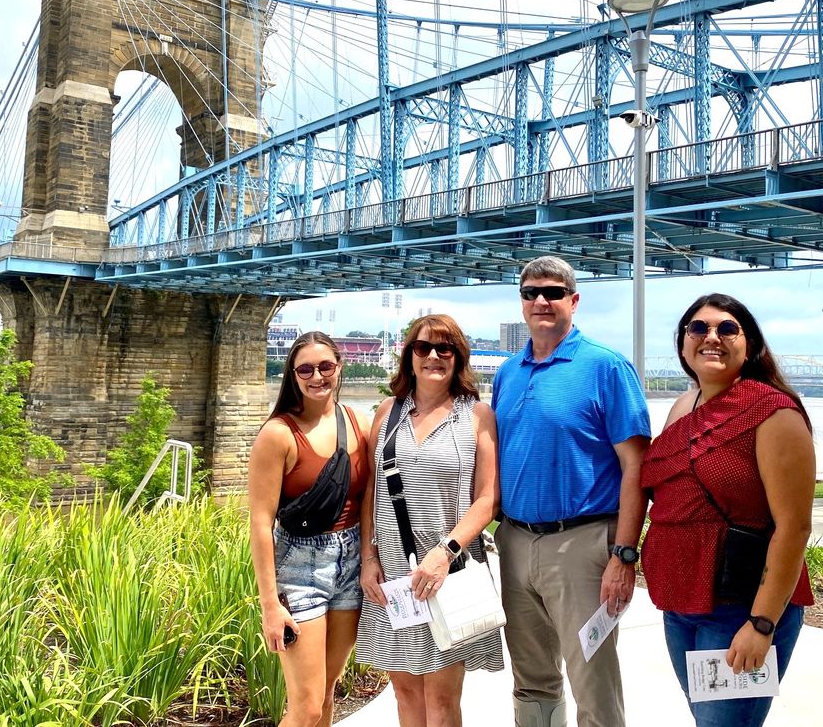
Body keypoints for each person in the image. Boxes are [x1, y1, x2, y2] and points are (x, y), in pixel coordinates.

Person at [641, 293, 815, 727]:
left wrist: (762, 623)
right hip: (681, 603)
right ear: (683, 343)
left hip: (740, 606)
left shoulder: (774, 413)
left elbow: (794, 528)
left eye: (727, 329)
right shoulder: (685, 405)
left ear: (750, 344)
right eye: (698, 328)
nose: (711, 337)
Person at [492, 255, 651, 727]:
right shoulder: (507, 372)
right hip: (515, 542)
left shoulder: (606, 367)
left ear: (574, 301)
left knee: (593, 680)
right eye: (530, 293)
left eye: (553, 292)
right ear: (521, 305)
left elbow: (636, 465)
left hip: (583, 545)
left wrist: (624, 555)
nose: (541, 300)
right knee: (531, 678)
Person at [356, 313, 503, 727]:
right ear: (409, 356)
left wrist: (445, 552)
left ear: (459, 357)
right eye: (423, 348)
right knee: (403, 693)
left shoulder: (476, 415)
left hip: (447, 568)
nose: (434, 356)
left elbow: (487, 498)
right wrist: (369, 558)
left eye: (445, 348)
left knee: (441, 701)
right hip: (393, 575)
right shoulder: (388, 412)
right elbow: (373, 491)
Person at [249, 331, 372, 727]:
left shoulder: (359, 423)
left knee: (326, 692)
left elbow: (368, 501)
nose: (317, 376)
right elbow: (260, 522)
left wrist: (369, 559)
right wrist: (270, 605)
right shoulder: (278, 434)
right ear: (293, 375)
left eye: (325, 366)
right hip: (300, 567)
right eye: (305, 369)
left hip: (350, 563)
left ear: (340, 367)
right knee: (304, 707)